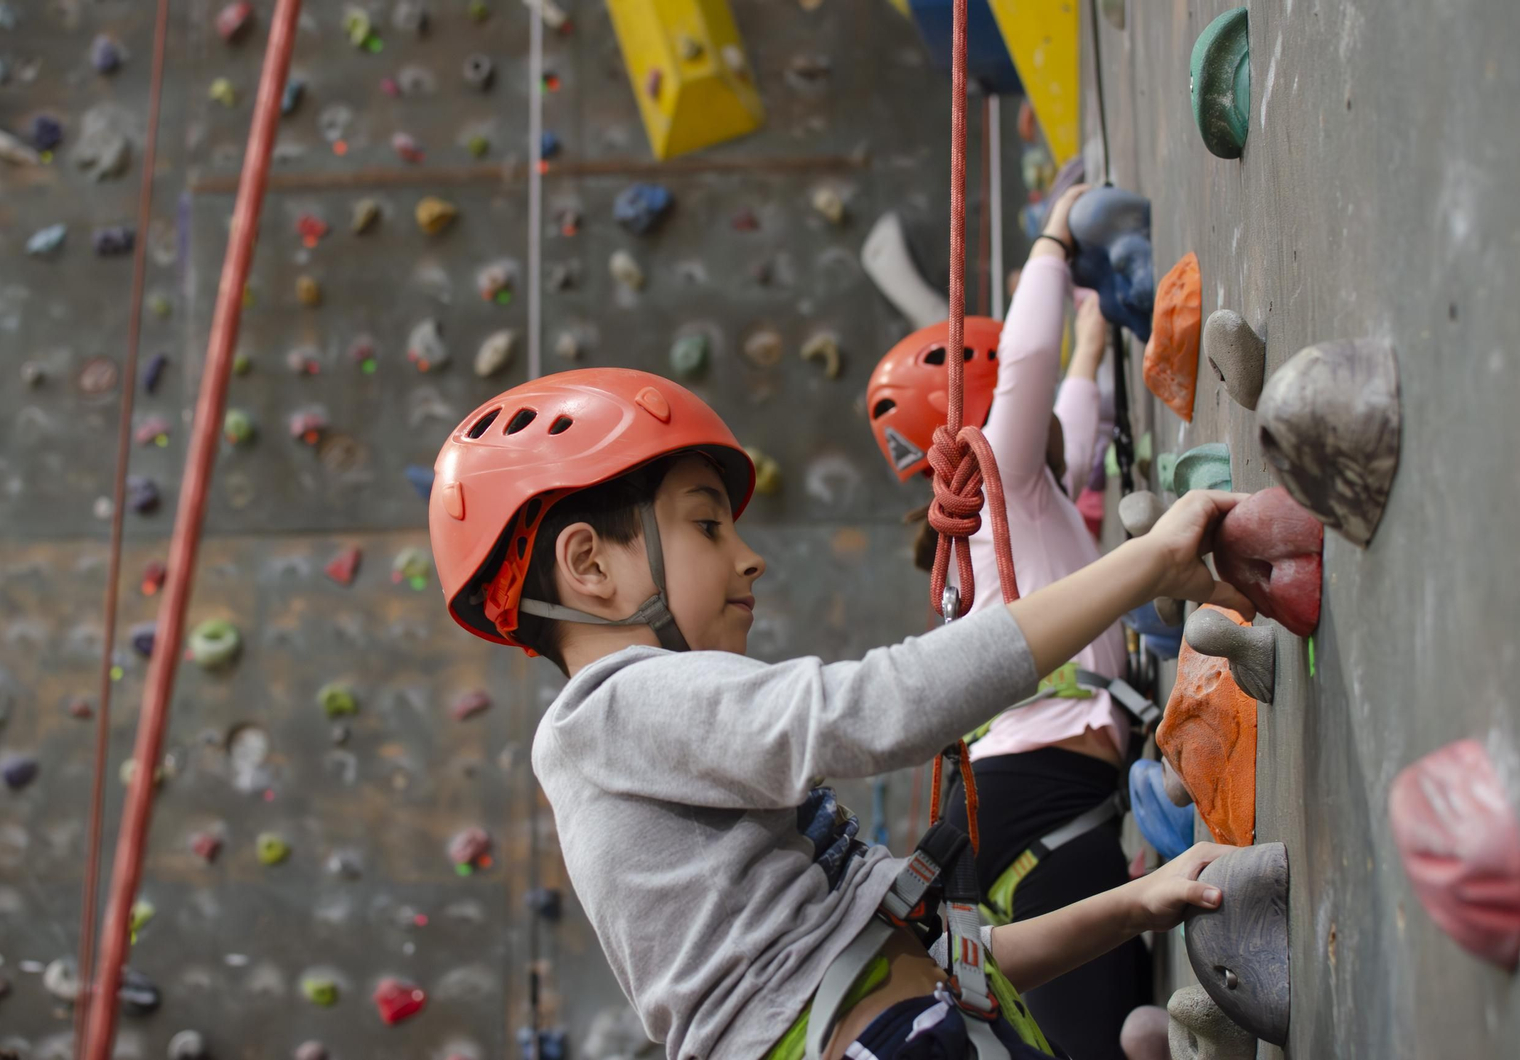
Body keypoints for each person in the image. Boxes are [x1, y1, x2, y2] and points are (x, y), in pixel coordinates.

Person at [427, 366, 1253, 1060]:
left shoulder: (669, 767)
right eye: (706, 524)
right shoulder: (610, 710)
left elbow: (944, 962)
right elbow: (872, 709)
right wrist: (1144, 565)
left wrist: (1135, 907)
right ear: (588, 565)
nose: (749, 558)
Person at [866, 184, 1160, 1060]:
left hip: (1027, 806)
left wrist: (1094, 341)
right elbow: (1031, 370)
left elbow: (1070, 408)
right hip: (1034, 810)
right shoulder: (999, 497)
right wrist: (1053, 242)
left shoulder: (1012, 517)